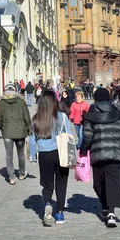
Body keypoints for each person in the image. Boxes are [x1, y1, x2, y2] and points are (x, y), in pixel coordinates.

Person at [80, 87, 120, 228]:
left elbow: (88, 136)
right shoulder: (118, 113)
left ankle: (108, 210)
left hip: (99, 153)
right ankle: (110, 211)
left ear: (95, 99)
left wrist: (84, 150)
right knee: (114, 183)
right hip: (116, 154)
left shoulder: (90, 114)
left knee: (99, 184)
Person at [29, 90, 76, 226]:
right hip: (60, 153)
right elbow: (68, 133)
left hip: (44, 154)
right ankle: (60, 214)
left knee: (47, 183)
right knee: (61, 183)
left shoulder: (37, 118)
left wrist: (33, 156)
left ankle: (48, 203)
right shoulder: (62, 116)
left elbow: (32, 141)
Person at [0, 83, 31, 185]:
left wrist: (2, 127)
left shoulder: (1, 103)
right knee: (21, 153)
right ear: (15, 91)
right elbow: (26, 117)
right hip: (20, 132)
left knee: (9, 155)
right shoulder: (21, 102)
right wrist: (29, 128)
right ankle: (21, 173)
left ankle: (11, 177)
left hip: (7, 132)